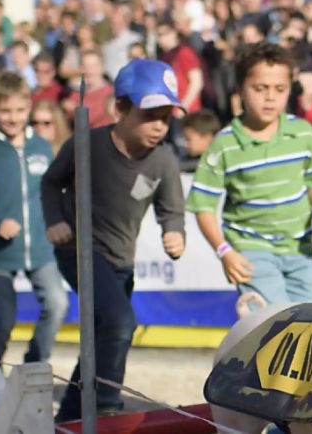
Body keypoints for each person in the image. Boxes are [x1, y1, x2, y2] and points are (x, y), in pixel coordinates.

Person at [43, 59, 186, 421]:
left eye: (166, 116)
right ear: (120, 108)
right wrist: (56, 219)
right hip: (79, 250)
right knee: (121, 322)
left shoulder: (164, 160)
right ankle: (106, 410)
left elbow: (172, 208)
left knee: (101, 338)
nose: (159, 126)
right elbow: (50, 182)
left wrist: (174, 231)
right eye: (150, 114)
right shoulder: (86, 144)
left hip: (122, 261)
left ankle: (68, 420)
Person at [187, 42, 312, 308]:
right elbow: (203, 206)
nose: (270, 97)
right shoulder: (223, 145)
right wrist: (225, 252)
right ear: (240, 91)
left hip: (300, 249)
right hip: (251, 250)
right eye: (260, 88)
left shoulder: (304, 133)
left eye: (279, 89)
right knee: (274, 324)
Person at [0, 72, 68, 365]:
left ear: (29, 107)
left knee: (57, 304)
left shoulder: (42, 147)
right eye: (5, 111)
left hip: (42, 250)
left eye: (20, 110)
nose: (13, 117)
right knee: (4, 318)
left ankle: (34, 366)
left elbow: (54, 191)